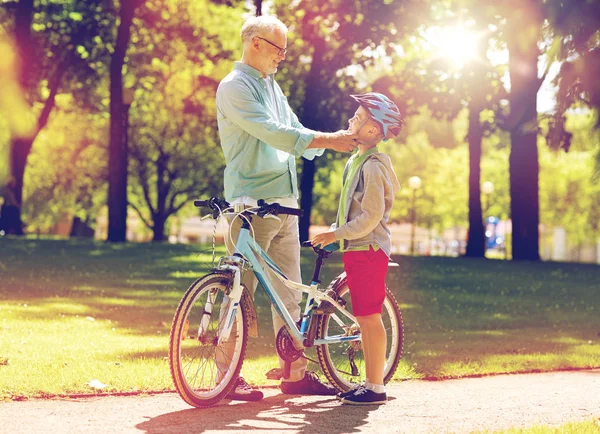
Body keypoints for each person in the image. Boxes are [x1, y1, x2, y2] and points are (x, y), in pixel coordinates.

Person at [215, 15, 358, 401]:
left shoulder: (272, 87)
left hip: (285, 202)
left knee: (288, 291)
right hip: (250, 203)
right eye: (279, 49)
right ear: (256, 43)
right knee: (237, 289)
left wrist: (331, 141)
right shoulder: (234, 88)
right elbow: (274, 133)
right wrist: (329, 140)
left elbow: (293, 127)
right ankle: (225, 378)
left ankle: (294, 374)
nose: (283, 57)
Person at [311, 92, 403, 405]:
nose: (353, 120)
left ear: (374, 131)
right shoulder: (357, 160)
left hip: (368, 249)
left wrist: (337, 233)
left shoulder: (374, 167)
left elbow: (371, 216)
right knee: (364, 317)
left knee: (369, 318)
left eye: (359, 117)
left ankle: (375, 387)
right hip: (357, 248)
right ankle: (370, 383)